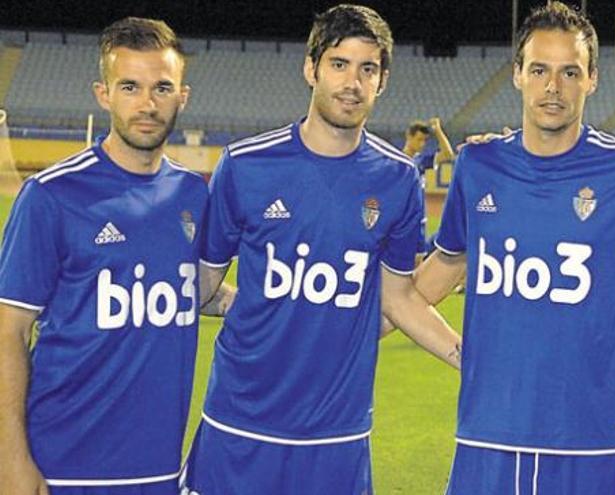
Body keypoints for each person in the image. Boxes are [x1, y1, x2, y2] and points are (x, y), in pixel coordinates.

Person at [181, 5, 462, 495]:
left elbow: (398, 300)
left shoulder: (398, 180)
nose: (352, 82)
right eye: (338, 64)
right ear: (311, 68)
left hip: (338, 433)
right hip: (240, 422)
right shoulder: (246, 165)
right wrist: (229, 301)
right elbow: (200, 287)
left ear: (383, 81)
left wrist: (473, 359)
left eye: (367, 68)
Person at [413, 3, 615, 494]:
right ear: (517, 75)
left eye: (570, 71)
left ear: (592, 78)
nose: (554, 86)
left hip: (594, 439)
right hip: (489, 434)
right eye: (540, 70)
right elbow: (433, 279)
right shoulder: (478, 164)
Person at [0, 17, 210, 494]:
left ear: (183, 96)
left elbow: (188, 285)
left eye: (162, 87)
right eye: (130, 86)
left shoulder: (192, 196)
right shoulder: (51, 195)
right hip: (62, 464)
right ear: (103, 94)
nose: (147, 103)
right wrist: (10, 459)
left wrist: (257, 301)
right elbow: (8, 330)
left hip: (157, 467)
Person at [402, 117, 456, 256]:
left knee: (418, 260)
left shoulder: (422, 160)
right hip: (401, 219)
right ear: (409, 136)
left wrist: (438, 131)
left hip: (419, 218)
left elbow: (448, 155)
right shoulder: (396, 161)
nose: (422, 144)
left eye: (425, 140)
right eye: (419, 139)